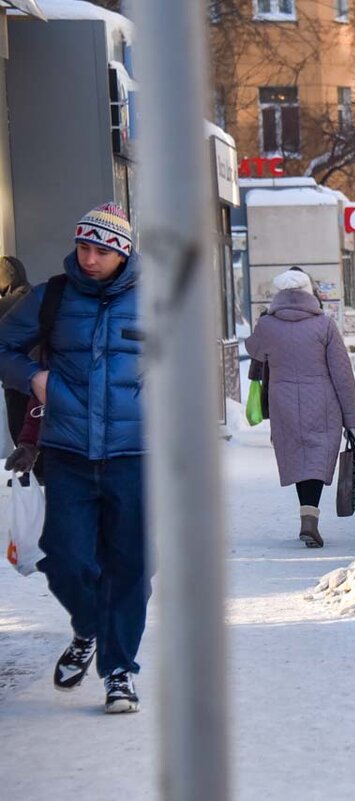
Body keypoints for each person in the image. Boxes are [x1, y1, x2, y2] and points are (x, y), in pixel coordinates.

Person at [0, 202, 146, 714]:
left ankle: (120, 671)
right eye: (82, 246)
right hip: (68, 451)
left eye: (100, 250)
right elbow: (4, 347)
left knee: (130, 566)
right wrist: (32, 377)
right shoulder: (51, 298)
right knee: (64, 559)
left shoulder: (157, 300)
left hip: (136, 454)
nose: (88, 258)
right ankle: (89, 628)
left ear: (122, 252)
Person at [244, 269, 355, 548]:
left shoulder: (268, 326)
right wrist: (351, 417)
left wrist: (264, 321)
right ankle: (310, 518)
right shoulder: (325, 325)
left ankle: (307, 516)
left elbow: (254, 350)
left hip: (283, 401)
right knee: (317, 460)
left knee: (298, 458)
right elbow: (342, 373)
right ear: (309, 292)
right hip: (323, 401)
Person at [0, 256, 32, 447]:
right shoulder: (34, 294)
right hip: (38, 375)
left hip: (16, 379)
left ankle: (25, 476)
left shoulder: (9, 303)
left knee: (20, 433)